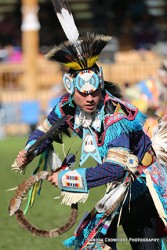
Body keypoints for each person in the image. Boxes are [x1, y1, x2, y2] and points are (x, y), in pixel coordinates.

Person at [13, 1, 167, 250]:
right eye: (83, 93)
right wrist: (30, 151)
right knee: (96, 242)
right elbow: (45, 130)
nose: (89, 98)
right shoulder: (66, 107)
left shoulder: (117, 117)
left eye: (94, 91)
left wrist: (67, 178)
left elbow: (116, 170)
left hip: (142, 185)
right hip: (118, 187)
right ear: (70, 88)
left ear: (101, 85)